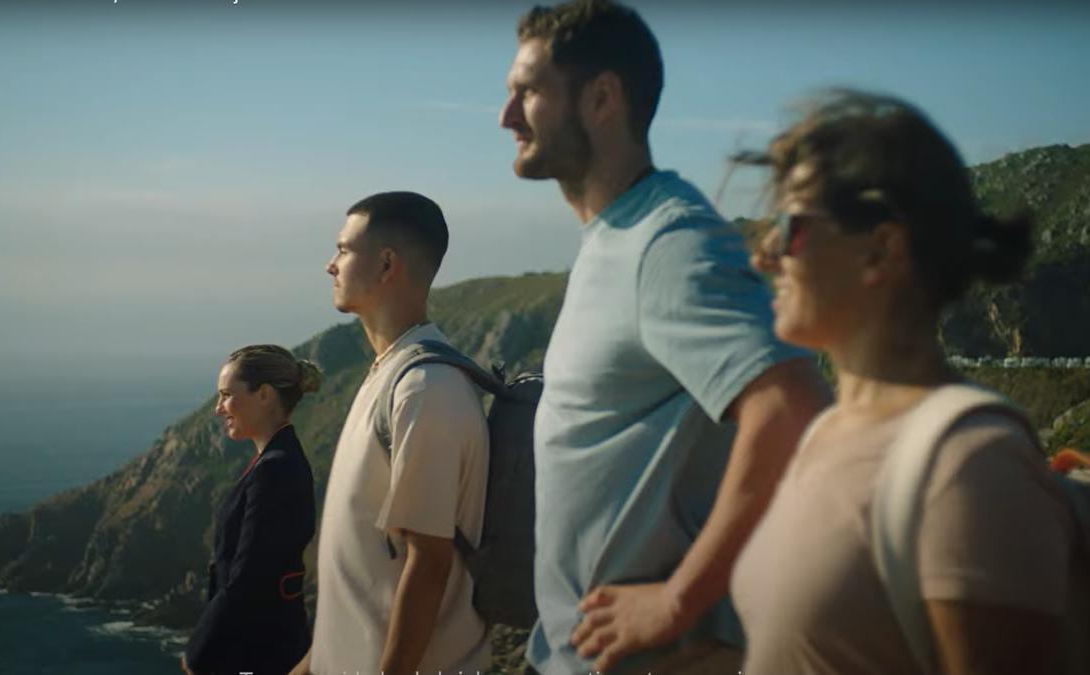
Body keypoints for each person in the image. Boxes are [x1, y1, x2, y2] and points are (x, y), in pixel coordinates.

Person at [498, 1, 832, 673]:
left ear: (601, 98)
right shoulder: (616, 237)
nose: (506, 116)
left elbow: (793, 406)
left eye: (528, 92)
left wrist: (680, 599)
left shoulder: (668, 242)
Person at [731, 89, 1074, 675]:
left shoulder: (967, 468)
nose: (763, 257)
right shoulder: (828, 431)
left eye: (787, 228)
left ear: (882, 248)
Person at [292, 191, 490, 675]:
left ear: (385, 266)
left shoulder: (426, 388)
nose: (330, 265)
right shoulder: (391, 375)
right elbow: (365, 575)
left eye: (343, 249)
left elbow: (429, 564)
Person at [182, 344, 320, 675]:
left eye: (227, 395)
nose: (218, 408)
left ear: (265, 395)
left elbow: (250, 576)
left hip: (260, 653)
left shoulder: (276, 468)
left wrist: (198, 653)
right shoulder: (275, 461)